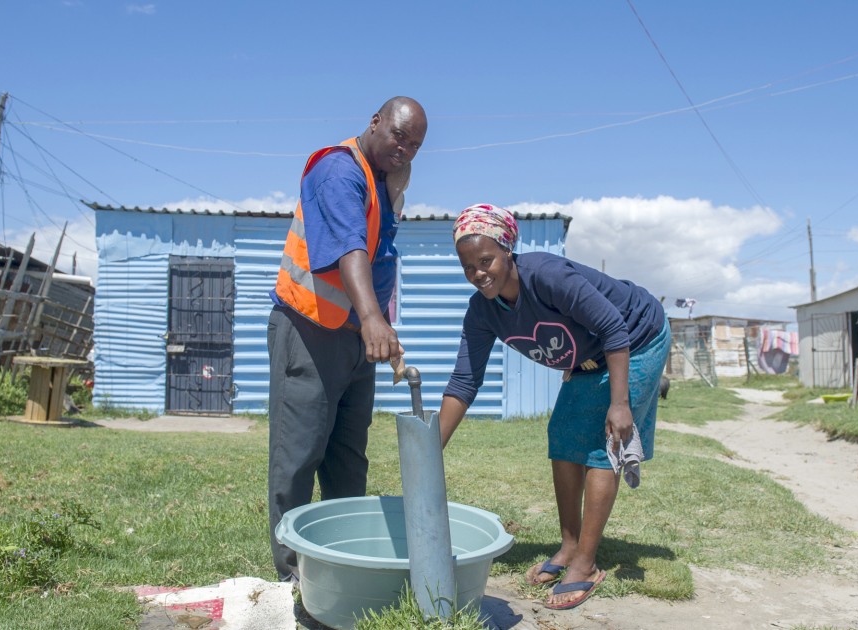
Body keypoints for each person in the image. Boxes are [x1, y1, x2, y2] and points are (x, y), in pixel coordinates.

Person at [438, 203, 670, 610]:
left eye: (486, 260)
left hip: (636, 337)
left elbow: (614, 327)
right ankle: (568, 546)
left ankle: (585, 563)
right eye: (468, 266)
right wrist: (431, 446)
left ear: (508, 249)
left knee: (602, 447)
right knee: (563, 435)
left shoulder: (547, 276)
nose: (478, 273)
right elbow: (464, 382)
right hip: (588, 356)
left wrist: (619, 404)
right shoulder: (482, 311)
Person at [266, 97, 428, 583]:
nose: (405, 149)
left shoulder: (382, 183)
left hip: (354, 337)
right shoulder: (339, 170)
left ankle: (341, 562)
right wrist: (374, 319)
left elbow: (380, 255)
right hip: (309, 330)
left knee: (347, 459)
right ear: (374, 121)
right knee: (300, 454)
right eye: (399, 136)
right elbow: (348, 249)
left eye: (415, 145)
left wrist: (377, 326)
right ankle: (294, 575)